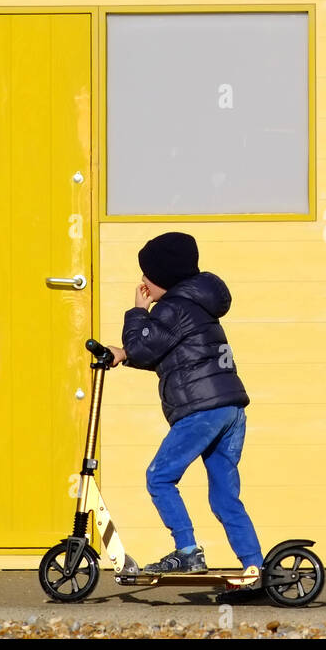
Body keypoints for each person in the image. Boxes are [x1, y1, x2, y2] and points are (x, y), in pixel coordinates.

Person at [107, 231, 263, 586]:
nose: (143, 281)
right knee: (224, 496)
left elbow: (147, 346)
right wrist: (123, 355)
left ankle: (188, 551)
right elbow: (165, 353)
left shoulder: (172, 309)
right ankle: (255, 568)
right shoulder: (195, 306)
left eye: (147, 275)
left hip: (202, 410)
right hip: (228, 408)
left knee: (159, 476)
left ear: (164, 278)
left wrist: (136, 311)